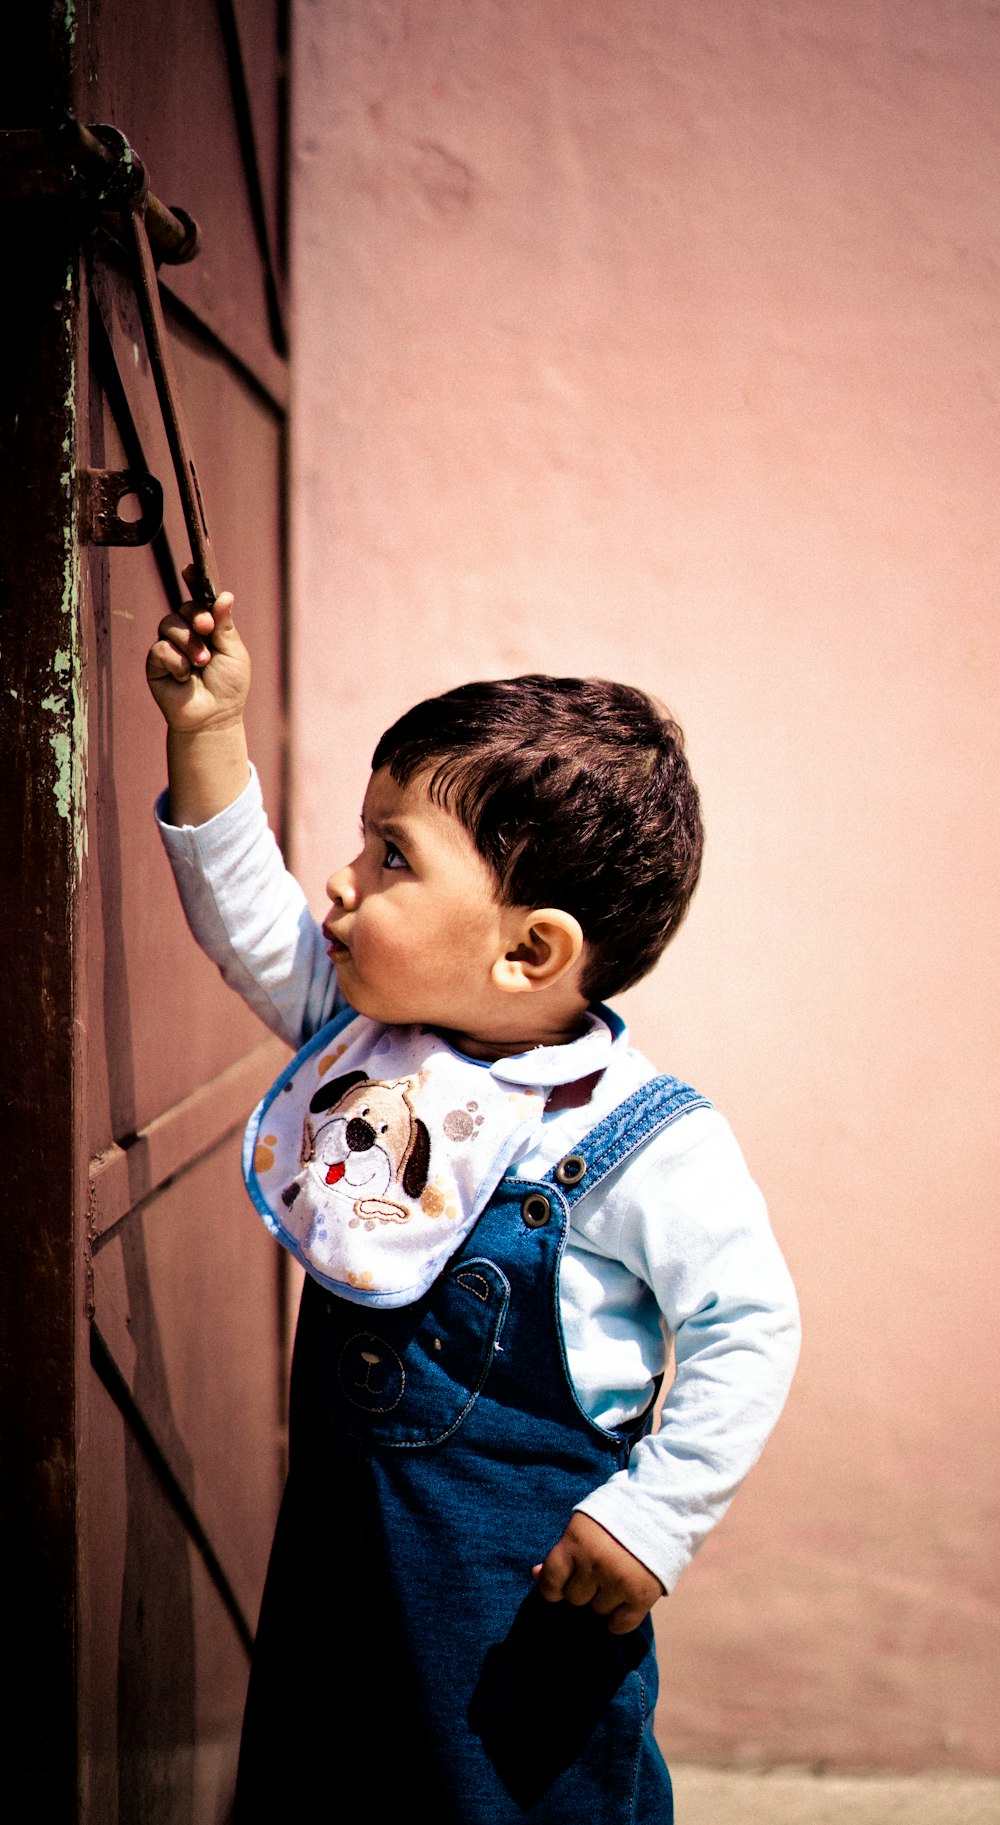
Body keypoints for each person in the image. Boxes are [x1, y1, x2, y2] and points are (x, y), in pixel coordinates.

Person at [146, 582, 800, 1823]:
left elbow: (747, 1329)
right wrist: (205, 732)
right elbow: (244, 913)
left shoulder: (643, 1143)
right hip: (340, 1591)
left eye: (391, 856)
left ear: (528, 952)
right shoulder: (363, 1040)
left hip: (514, 1625)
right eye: (361, 839)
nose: (338, 885)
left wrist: (654, 1518)